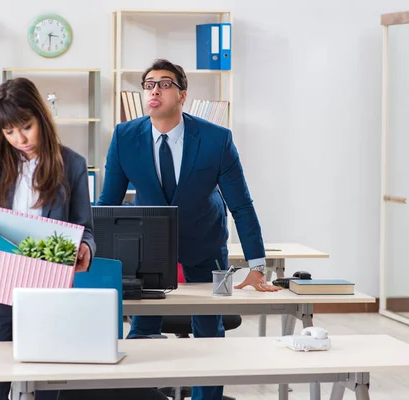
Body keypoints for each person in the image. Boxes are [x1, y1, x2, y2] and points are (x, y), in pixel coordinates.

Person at [97, 59, 281, 400]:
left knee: (210, 331)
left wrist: (257, 267)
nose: (154, 90)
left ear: (182, 95)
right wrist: (98, 260)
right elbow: (107, 205)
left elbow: (241, 205)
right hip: (147, 250)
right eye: (148, 84)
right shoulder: (125, 137)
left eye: (164, 84)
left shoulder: (216, 139)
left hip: (210, 247)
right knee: (142, 329)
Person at [0, 77, 96, 400]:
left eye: (26, 127)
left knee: (48, 388)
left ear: (41, 117)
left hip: (47, 292)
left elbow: (84, 227)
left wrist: (84, 246)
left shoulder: (72, 164)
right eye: (9, 132)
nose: (19, 139)